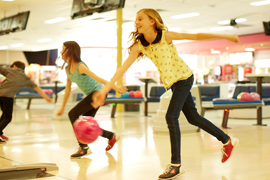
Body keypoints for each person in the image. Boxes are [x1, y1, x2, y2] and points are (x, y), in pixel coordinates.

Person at [92, 8, 241, 179]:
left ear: (152, 21)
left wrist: (226, 37)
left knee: (171, 117)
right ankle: (227, 140)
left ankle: (175, 165)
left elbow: (195, 36)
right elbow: (122, 69)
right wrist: (105, 89)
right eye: (136, 20)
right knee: (193, 118)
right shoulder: (139, 45)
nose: (137, 22)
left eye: (140, 19)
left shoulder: (165, 36)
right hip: (174, 83)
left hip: (184, 78)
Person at [56, 41, 127, 158]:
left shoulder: (81, 66)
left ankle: (84, 148)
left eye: (63, 49)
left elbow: (99, 79)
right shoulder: (68, 69)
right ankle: (111, 136)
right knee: (86, 125)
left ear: (70, 51)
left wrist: (115, 87)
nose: (61, 52)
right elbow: (67, 89)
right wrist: (62, 107)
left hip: (98, 93)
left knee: (73, 114)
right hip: (91, 94)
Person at [0, 61, 52, 142]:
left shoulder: (10, 71)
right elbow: (36, 87)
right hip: (8, 96)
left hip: (0, 95)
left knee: (4, 115)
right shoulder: (25, 78)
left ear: (14, 66)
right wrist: (45, 97)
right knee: (7, 117)